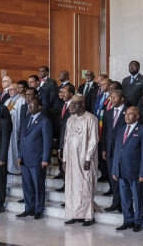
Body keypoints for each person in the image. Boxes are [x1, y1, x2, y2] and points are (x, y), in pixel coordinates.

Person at [63, 94, 102, 227]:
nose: (73, 106)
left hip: (85, 158)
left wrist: (87, 158)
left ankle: (88, 216)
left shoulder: (91, 118)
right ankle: (75, 214)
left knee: (85, 186)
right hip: (71, 158)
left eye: (76, 104)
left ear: (83, 104)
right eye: (72, 104)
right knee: (72, 187)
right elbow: (66, 140)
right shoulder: (70, 119)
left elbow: (93, 140)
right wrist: (64, 159)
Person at [112, 106, 143, 232]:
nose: (127, 116)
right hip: (122, 170)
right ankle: (127, 220)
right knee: (125, 197)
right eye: (126, 114)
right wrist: (114, 170)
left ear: (137, 116)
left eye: (130, 114)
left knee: (138, 197)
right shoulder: (121, 129)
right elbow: (117, 150)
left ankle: (138, 221)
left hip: (135, 171)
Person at [16, 98, 52, 220]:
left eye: (32, 106)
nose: (29, 108)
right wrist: (19, 155)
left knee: (38, 185)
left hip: (37, 159)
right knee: (27, 186)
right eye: (29, 106)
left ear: (39, 107)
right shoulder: (26, 120)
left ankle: (38, 209)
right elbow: (21, 139)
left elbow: (47, 142)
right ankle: (29, 208)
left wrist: (45, 159)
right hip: (25, 159)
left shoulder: (44, 121)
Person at [101, 89, 128, 211]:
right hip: (110, 150)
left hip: (124, 150)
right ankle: (116, 202)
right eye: (111, 97)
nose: (112, 99)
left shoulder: (128, 111)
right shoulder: (108, 113)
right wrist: (104, 148)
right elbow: (105, 132)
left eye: (115, 97)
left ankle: (124, 204)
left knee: (123, 178)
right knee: (113, 178)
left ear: (122, 99)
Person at [54, 84, 75, 187]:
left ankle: (68, 184)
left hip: (70, 140)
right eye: (61, 92)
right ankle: (64, 182)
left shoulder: (74, 106)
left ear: (71, 94)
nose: (61, 94)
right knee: (61, 160)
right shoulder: (62, 104)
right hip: (60, 138)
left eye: (64, 92)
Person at [6, 86, 25, 174]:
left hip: (17, 127)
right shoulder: (7, 101)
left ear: (18, 90)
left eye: (12, 89)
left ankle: (18, 168)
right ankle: (10, 167)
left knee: (16, 147)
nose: (10, 91)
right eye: (9, 90)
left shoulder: (22, 100)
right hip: (8, 128)